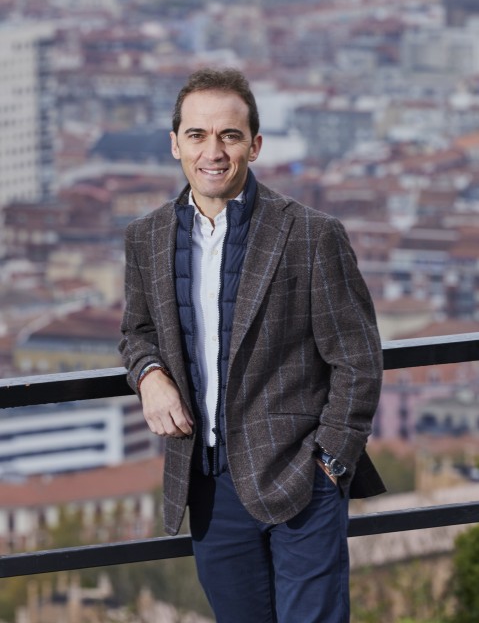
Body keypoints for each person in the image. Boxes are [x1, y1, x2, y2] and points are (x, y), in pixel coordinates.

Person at [119, 67, 385, 623]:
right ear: (175, 144)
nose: (212, 151)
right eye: (197, 135)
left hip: (301, 477)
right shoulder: (146, 237)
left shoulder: (311, 234)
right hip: (208, 485)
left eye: (229, 136)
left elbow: (357, 358)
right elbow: (137, 331)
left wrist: (331, 462)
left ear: (254, 146)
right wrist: (149, 375)